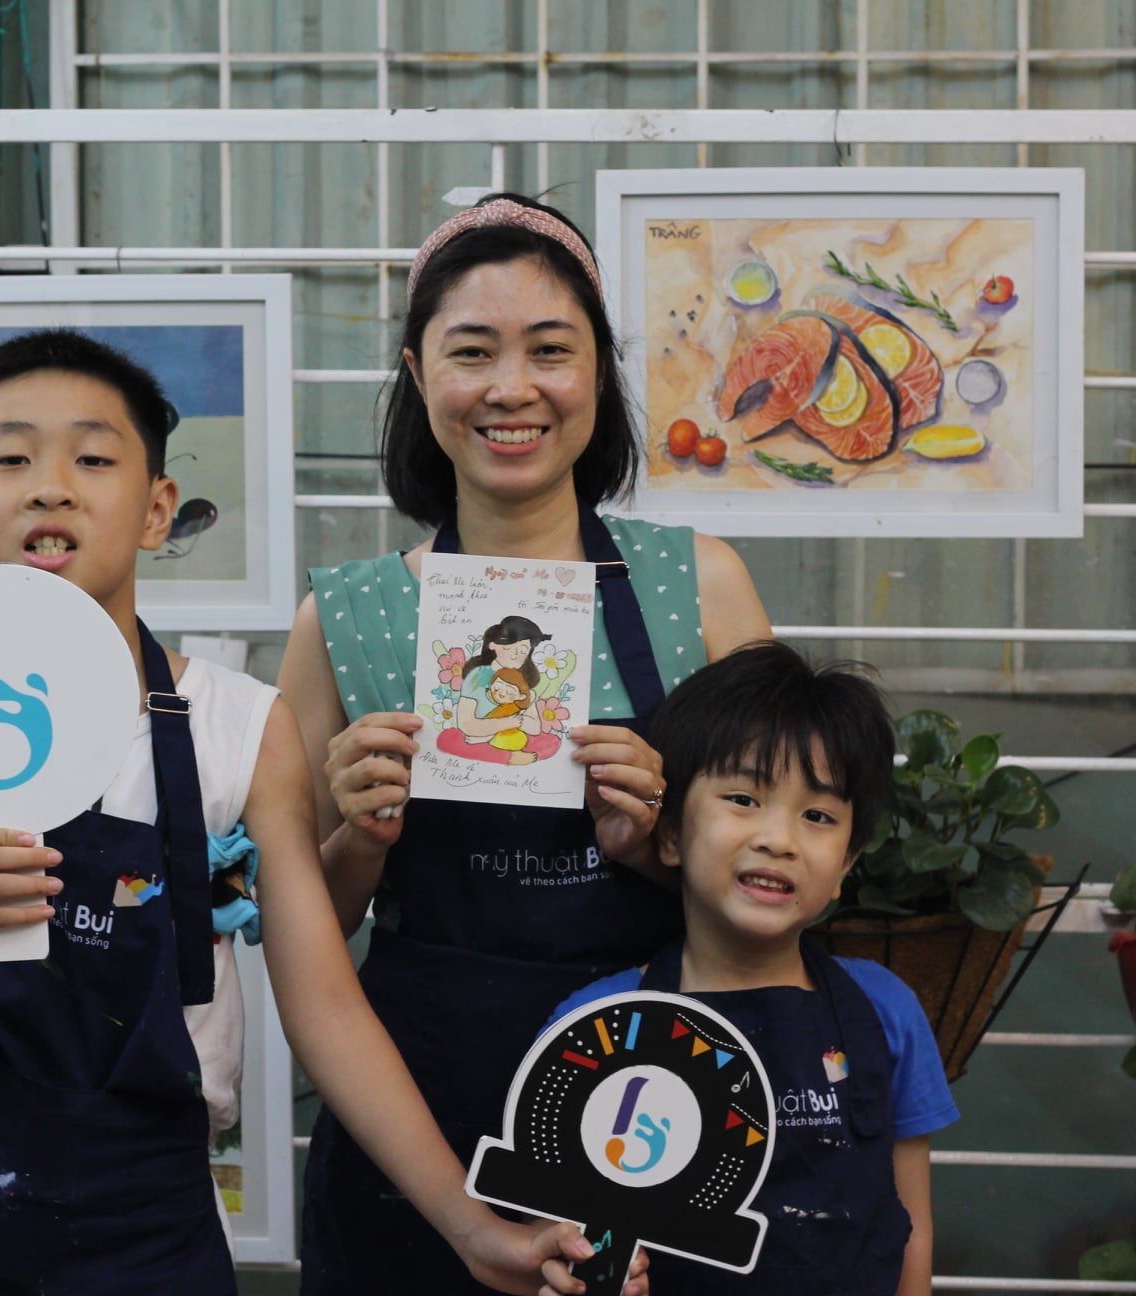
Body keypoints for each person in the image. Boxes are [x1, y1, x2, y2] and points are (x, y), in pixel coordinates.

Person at [0, 329, 607, 1295]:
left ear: (157, 510)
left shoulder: (240, 727)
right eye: (12, 458)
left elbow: (324, 1006)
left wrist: (471, 1227)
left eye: (93, 460)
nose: (50, 488)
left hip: (142, 1225)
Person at [278, 191, 772, 1293]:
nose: (512, 388)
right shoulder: (345, 619)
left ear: (599, 371)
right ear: (418, 376)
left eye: (551, 349)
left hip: (654, 1112)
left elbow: (785, 885)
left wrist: (663, 844)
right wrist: (359, 838)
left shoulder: (701, 586)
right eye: (472, 352)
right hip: (414, 1122)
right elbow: (303, 929)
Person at [549, 642, 958, 1295]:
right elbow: (568, 1236)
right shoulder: (596, 1026)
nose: (778, 839)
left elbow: (913, 1228)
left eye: (818, 815)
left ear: (847, 865)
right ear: (671, 833)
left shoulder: (887, 1010)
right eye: (742, 798)